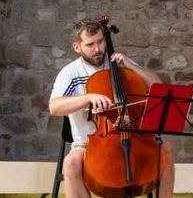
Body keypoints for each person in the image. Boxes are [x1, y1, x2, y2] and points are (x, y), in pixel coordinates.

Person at [49, 18, 176, 198]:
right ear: (77, 47)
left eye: (100, 42)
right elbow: (54, 107)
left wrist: (131, 66)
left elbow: (157, 86)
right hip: (90, 144)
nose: (98, 49)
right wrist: (87, 97)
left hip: (133, 135)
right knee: (70, 163)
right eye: (90, 44)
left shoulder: (118, 63)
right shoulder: (71, 73)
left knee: (166, 149)